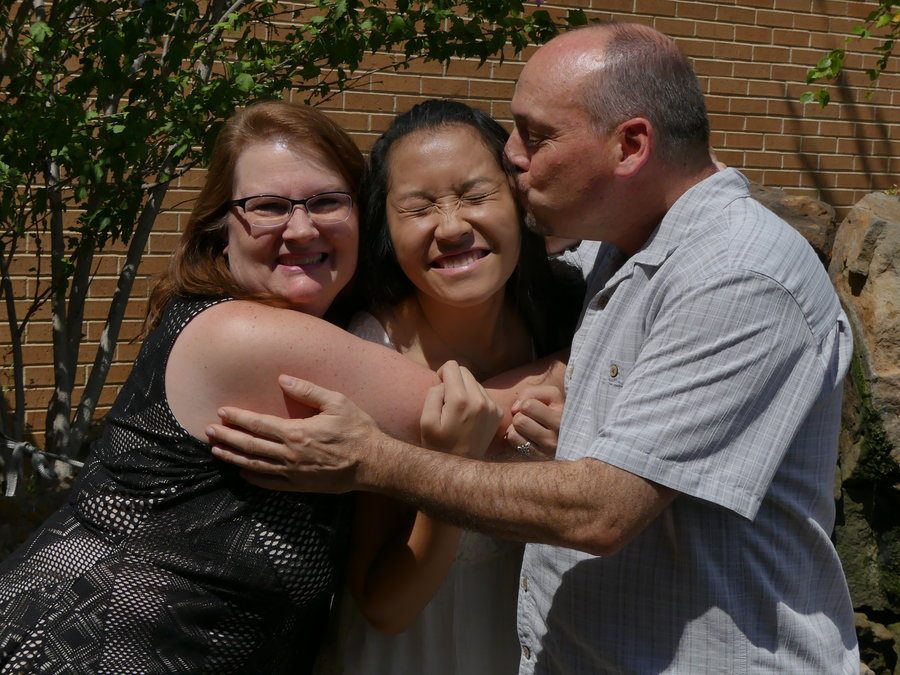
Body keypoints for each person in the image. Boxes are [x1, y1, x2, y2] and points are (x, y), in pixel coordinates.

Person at [207, 23, 861, 673]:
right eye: (418, 206)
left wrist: (377, 454)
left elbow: (603, 509)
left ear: (631, 145)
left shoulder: (734, 272)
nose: (513, 157)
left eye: (535, 135)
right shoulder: (609, 251)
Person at [0, 101, 512, 673]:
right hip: (82, 650)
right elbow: (474, 415)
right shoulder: (241, 334)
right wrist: (568, 364)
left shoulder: (322, 329)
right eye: (267, 207)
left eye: (326, 202)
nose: (301, 227)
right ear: (221, 226)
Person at [316, 100, 582, 675]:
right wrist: (450, 468)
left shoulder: (568, 312)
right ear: (384, 227)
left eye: (474, 194)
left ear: (517, 197)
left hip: (539, 642)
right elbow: (386, 606)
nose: (452, 226)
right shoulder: (368, 351)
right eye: (418, 207)